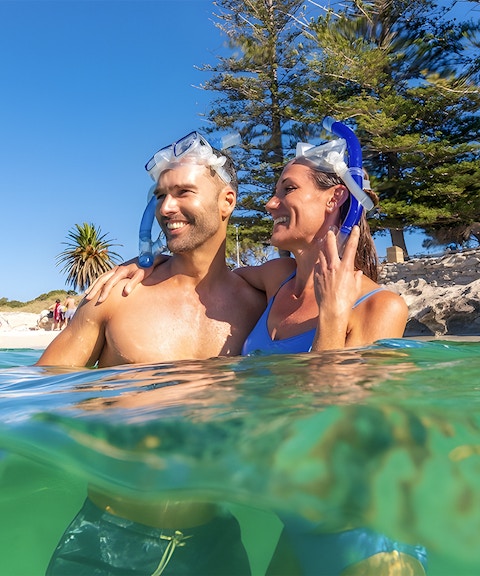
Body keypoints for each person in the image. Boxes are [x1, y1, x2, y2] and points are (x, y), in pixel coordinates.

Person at [86, 127, 426, 574]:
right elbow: (205, 273)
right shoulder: (273, 279)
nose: (269, 202)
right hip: (298, 524)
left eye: (287, 189)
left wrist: (331, 320)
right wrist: (145, 263)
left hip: (367, 534)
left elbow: (330, 436)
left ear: (335, 199)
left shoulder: (381, 306)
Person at [37, 132, 267, 576]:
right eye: (160, 195)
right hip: (106, 540)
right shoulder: (118, 294)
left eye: (183, 192)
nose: (165, 207)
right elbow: (41, 392)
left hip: (213, 543)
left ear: (228, 201)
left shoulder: (260, 303)